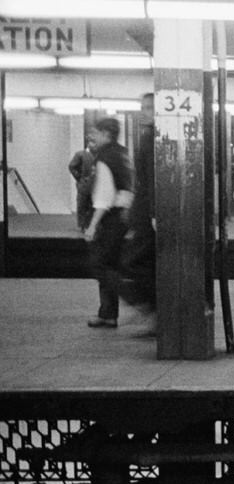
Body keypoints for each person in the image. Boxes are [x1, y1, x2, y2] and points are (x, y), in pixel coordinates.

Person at [83, 118, 133, 329]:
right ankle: (107, 313)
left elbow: (104, 195)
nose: (91, 137)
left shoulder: (104, 158)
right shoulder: (123, 153)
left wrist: (93, 224)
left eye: (95, 133)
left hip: (111, 217)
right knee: (111, 263)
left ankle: (130, 298)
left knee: (102, 264)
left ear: (105, 133)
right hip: (124, 214)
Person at [120, 92, 157, 328]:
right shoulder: (149, 135)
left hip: (148, 212)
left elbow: (151, 177)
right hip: (145, 210)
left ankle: (150, 307)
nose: (147, 112)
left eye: (150, 107)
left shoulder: (153, 137)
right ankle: (153, 309)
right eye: (144, 107)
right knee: (145, 260)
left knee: (132, 261)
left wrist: (152, 212)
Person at [68, 137, 96, 231]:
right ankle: (83, 226)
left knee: (92, 206)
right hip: (84, 184)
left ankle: (91, 225)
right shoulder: (80, 154)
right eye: (93, 142)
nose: (94, 145)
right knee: (82, 205)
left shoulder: (98, 155)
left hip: (95, 185)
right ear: (88, 143)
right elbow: (72, 166)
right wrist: (79, 178)